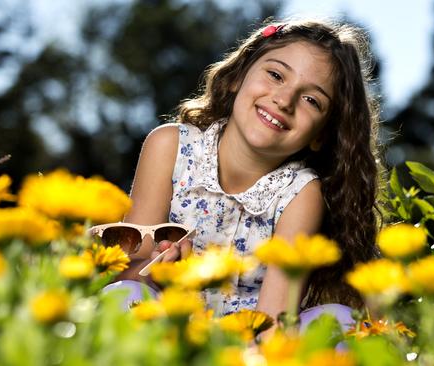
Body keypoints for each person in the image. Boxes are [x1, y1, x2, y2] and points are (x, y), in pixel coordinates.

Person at [107, 18, 382, 328]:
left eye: (311, 100)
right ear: (238, 75)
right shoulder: (170, 147)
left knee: (340, 321)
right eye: (276, 75)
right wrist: (156, 273)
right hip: (165, 331)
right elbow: (123, 274)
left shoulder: (301, 194)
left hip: (247, 348)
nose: (284, 100)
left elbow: (274, 321)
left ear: (322, 135)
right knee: (125, 294)